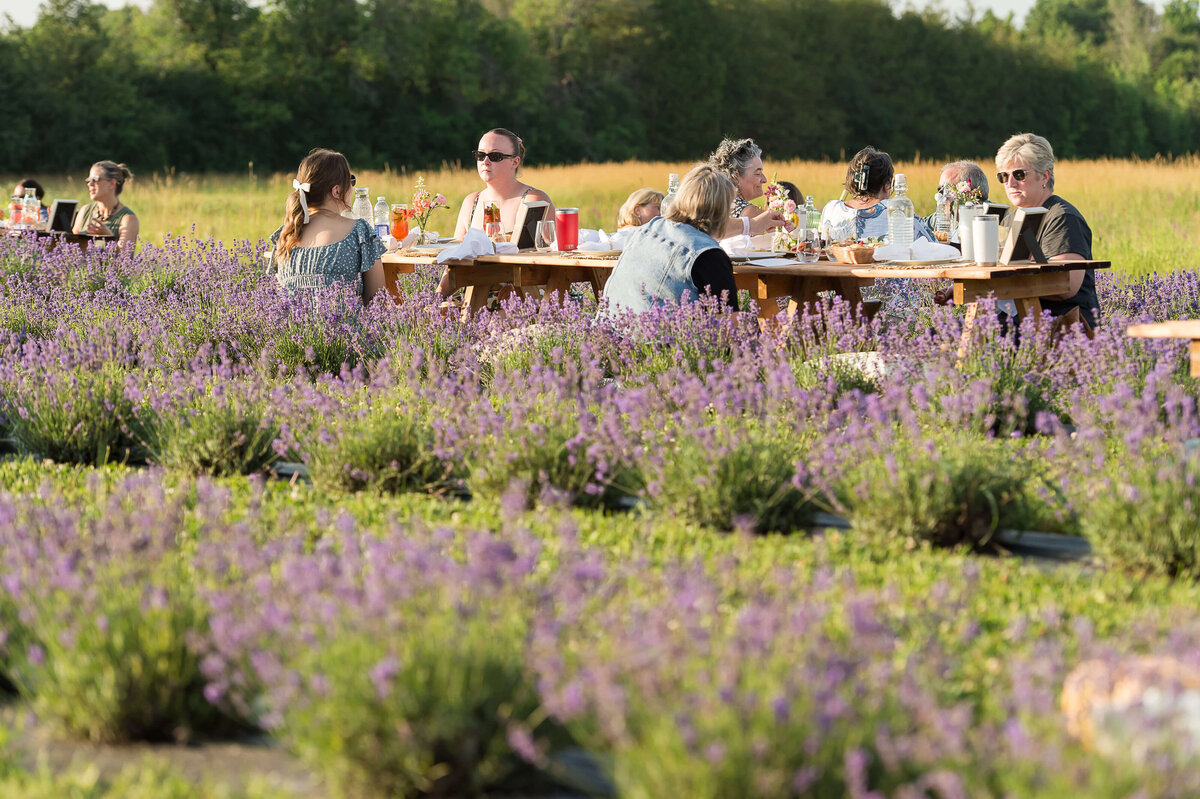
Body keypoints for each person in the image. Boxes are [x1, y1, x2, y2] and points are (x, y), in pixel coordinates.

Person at [602, 164, 738, 315]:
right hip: (655, 338)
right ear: (721, 209)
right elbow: (729, 324)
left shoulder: (646, 230)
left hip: (605, 332)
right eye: (730, 206)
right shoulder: (708, 255)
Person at [994, 132, 1097, 328]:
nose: (1010, 183)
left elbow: (1067, 286)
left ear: (1045, 175)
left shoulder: (1062, 218)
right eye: (1004, 176)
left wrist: (1001, 286)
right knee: (941, 336)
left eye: (1019, 174)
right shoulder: (1011, 219)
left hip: (1060, 327)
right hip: (1017, 319)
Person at [443, 127, 554, 297]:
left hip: (524, 295)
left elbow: (553, 257)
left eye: (495, 156)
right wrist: (435, 300)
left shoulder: (533, 199)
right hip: (473, 293)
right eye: (480, 155)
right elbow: (455, 260)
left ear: (514, 162)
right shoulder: (471, 202)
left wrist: (516, 287)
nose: (485, 162)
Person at [267, 148, 385, 306]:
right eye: (351, 181)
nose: (352, 188)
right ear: (337, 191)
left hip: (292, 331)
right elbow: (377, 302)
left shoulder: (286, 234)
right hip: (344, 330)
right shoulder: (358, 231)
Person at [818, 146, 933, 243]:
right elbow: (931, 244)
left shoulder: (831, 208)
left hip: (839, 268)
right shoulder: (896, 209)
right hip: (884, 269)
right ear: (887, 185)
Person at [707, 138, 787, 239]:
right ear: (735, 176)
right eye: (758, 173)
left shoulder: (717, 204)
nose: (764, 179)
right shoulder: (749, 212)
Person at [72, 161, 139, 245]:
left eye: (95, 179)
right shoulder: (85, 211)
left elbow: (124, 256)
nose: (90, 184)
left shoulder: (128, 219)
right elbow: (71, 246)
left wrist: (107, 237)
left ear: (112, 183)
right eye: (88, 180)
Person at [920, 160, 989, 233]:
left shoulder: (993, 219)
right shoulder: (944, 216)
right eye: (939, 190)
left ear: (969, 193)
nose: (941, 196)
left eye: (946, 190)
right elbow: (918, 226)